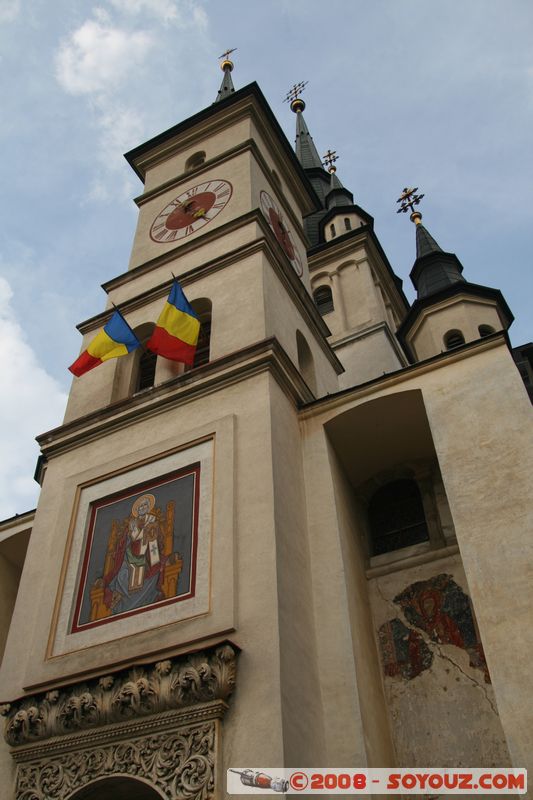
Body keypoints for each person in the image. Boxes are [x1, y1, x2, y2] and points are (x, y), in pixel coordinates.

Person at [103, 493, 166, 615]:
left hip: (146, 556)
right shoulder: (132, 524)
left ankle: (144, 601)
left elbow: (154, 543)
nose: (143, 507)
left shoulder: (152, 521)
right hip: (129, 557)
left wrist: (150, 531)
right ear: (137, 509)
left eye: (145, 505)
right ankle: (122, 606)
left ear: (148, 507)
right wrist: (141, 532)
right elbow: (129, 540)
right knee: (122, 577)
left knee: (152, 574)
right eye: (140, 506)